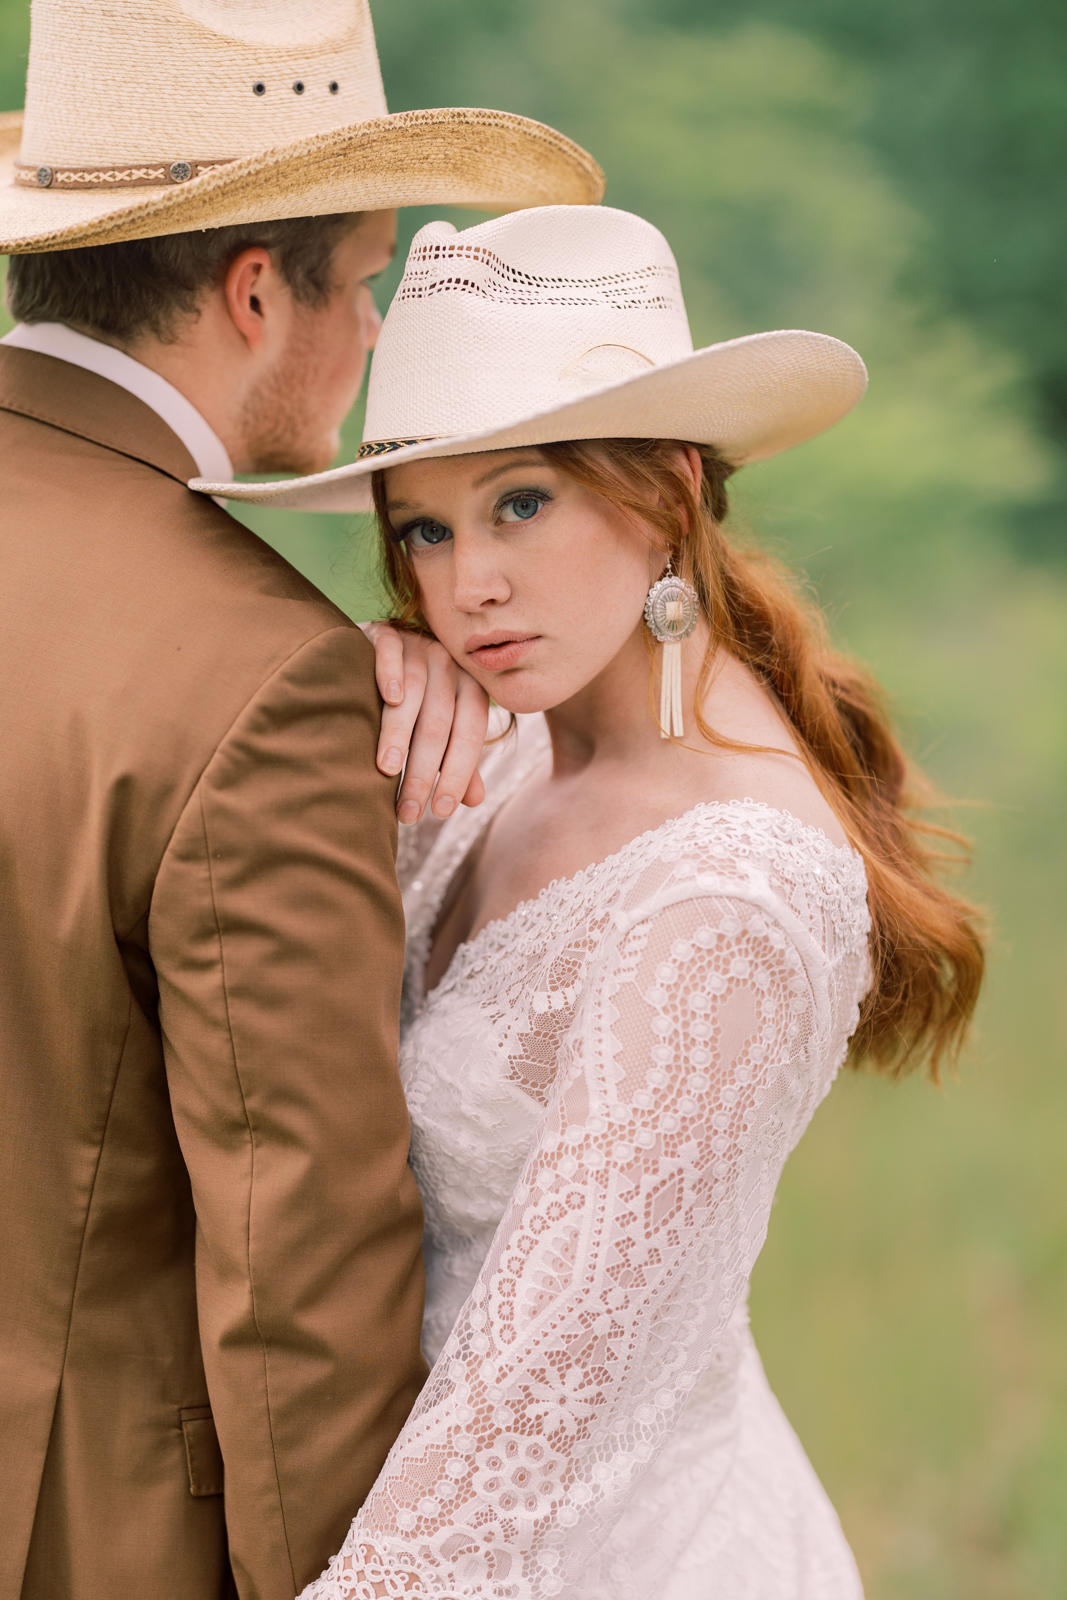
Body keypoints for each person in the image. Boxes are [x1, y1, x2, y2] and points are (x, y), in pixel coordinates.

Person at [214, 204, 985, 1599]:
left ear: (669, 492)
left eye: (521, 503)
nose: (469, 586)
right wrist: (374, 694)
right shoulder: (503, 751)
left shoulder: (730, 899)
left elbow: (521, 1437)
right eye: (424, 531)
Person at [0, 3, 602, 1597]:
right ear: (257, 294)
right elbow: (301, 1282)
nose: (379, 328)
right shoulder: (256, 677)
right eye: (368, 279)